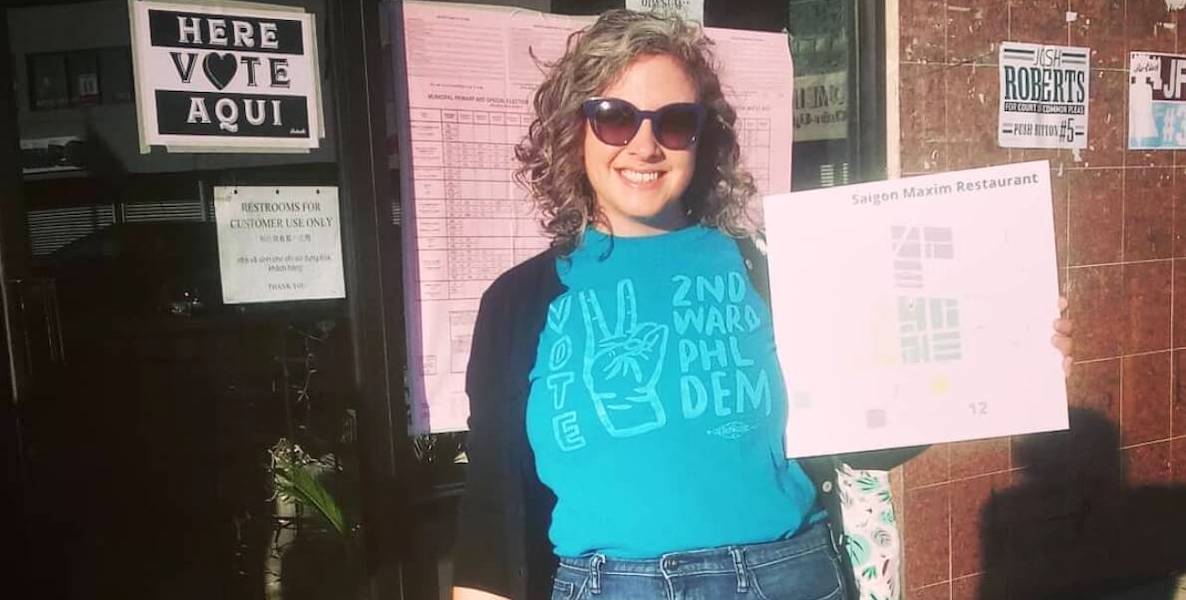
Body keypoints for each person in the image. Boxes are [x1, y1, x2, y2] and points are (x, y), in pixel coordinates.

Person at [451, 10, 1074, 600]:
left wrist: (1010, 351)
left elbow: (865, 434)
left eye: (673, 122)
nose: (644, 147)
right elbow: (492, 497)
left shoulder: (774, 266)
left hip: (784, 576)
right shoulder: (519, 302)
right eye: (614, 117)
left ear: (703, 137)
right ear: (574, 129)